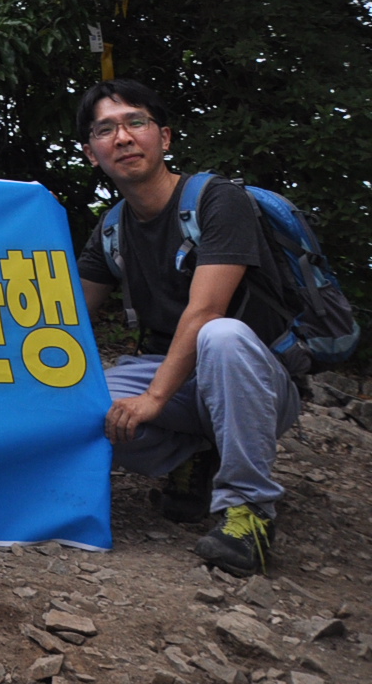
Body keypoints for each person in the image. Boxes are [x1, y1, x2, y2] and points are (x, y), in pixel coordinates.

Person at [76, 80, 304, 577]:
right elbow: (64, 319)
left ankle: (249, 511)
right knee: (76, 405)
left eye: (136, 122)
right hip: (178, 384)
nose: (123, 138)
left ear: (164, 137)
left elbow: (205, 312)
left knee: (220, 336)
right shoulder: (112, 228)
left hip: (255, 381)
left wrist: (153, 399)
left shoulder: (217, 200)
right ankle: (194, 454)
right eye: (105, 130)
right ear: (92, 153)